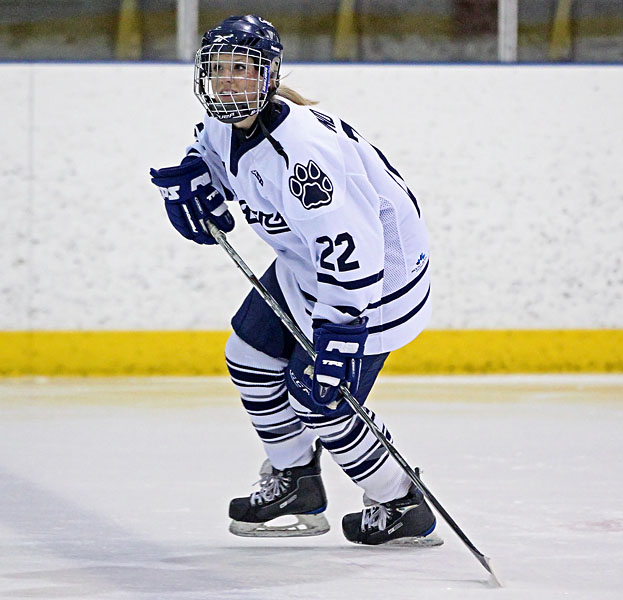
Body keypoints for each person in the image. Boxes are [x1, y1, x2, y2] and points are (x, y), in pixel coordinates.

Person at [149, 15, 439, 547]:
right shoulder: (223, 123)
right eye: (219, 70)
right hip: (307, 263)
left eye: (243, 68)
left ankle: (400, 502)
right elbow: (211, 155)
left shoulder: (303, 155)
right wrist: (194, 177)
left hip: (375, 284)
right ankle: (296, 483)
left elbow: (354, 247)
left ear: (268, 74)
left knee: (320, 398)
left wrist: (342, 329)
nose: (229, 81)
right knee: (249, 357)